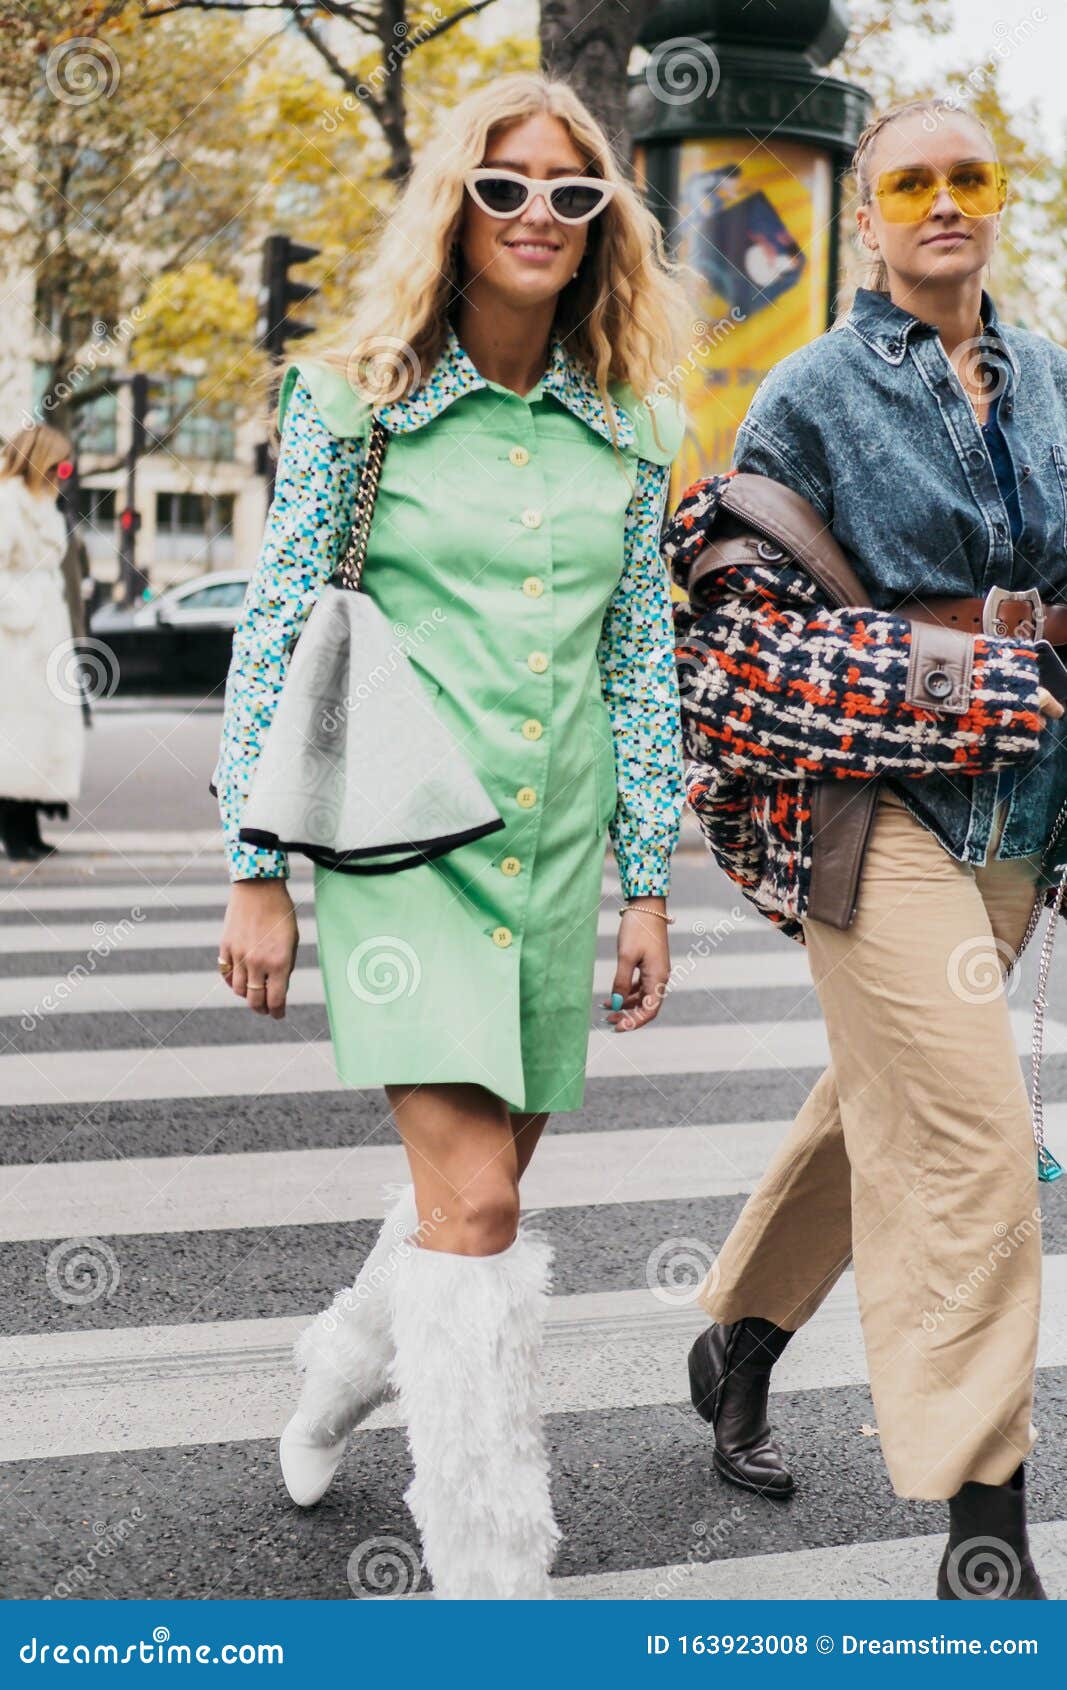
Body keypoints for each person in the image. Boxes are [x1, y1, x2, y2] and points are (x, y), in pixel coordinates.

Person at [212, 71, 692, 1598]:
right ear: (454, 207)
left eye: (571, 189)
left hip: (552, 854)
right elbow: (276, 629)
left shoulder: (630, 424)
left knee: (472, 1199)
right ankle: (494, 1586)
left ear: (602, 218)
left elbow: (636, 663)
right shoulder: (353, 395)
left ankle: (343, 1358)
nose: (539, 212)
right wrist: (254, 867)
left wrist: (644, 886)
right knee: (478, 1205)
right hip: (396, 850)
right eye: (504, 185)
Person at [667, 96, 1067, 1600]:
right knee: (970, 1137)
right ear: (873, 210)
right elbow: (747, 623)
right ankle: (984, 1535)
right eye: (911, 179)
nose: (941, 201)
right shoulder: (809, 393)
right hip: (865, 809)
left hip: (1017, 812)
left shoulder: (1048, 381)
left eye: (968, 176)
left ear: (994, 196)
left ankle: (736, 1343)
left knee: (883, 1097)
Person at [0, 425, 84, 861]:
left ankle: (27, 828)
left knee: (41, 735)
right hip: (14, 641)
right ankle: (14, 833)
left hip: (45, 637)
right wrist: (22, 612)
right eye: (57, 464)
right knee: (14, 734)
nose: (62, 473)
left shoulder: (44, 505)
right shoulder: (7, 502)